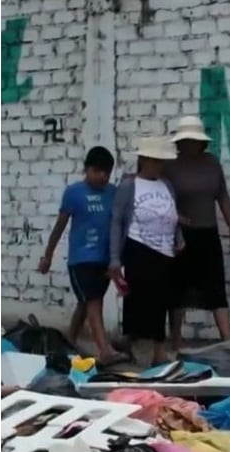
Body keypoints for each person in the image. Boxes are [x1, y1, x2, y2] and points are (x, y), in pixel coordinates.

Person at [38, 147, 125, 361]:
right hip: (81, 259)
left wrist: (118, 259)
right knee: (94, 301)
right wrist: (48, 255)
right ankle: (104, 350)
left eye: (107, 171)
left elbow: (119, 226)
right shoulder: (74, 192)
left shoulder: (113, 193)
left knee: (85, 304)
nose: (103, 176)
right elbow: (59, 226)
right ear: (86, 169)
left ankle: (69, 342)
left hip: (105, 260)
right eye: (98, 171)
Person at [109, 136, 186, 363]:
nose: (159, 167)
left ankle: (159, 351)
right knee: (140, 301)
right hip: (138, 247)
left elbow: (172, 214)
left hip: (165, 251)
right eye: (155, 161)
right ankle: (136, 346)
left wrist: (178, 235)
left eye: (161, 162)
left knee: (161, 301)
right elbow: (117, 220)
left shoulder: (166, 185)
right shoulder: (128, 186)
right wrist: (114, 258)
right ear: (144, 160)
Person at [165, 115, 230, 343]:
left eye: (193, 140)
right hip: (181, 236)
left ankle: (228, 341)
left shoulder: (211, 163)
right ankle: (175, 341)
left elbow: (222, 195)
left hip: (208, 232)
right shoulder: (170, 166)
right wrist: (177, 218)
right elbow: (162, 200)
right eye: (185, 140)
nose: (190, 144)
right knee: (178, 291)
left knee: (216, 288)